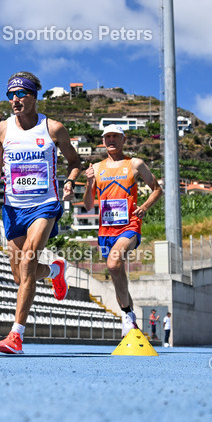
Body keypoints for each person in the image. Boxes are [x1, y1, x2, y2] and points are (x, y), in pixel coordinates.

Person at [0, 72, 82, 355]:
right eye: (10, 94)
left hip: (44, 204)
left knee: (27, 262)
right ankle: (54, 271)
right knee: (19, 275)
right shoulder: (1, 130)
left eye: (21, 93)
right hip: (13, 207)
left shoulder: (53, 129)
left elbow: (75, 161)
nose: (15, 99)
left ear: (34, 96)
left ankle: (16, 335)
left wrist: (70, 182)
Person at [82, 125, 163, 337]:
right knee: (117, 272)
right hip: (105, 230)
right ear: (103, 141)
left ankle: (127, 316)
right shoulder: (97, 168)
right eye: (107, 136)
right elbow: (89, 205)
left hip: (130, 226)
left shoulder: (134, 164)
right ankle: (129, 314)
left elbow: (157, 189)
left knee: (113, 262)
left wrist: (144, 207)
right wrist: (89, 182)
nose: (111, 140)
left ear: (123, 140)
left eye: (115, 136)